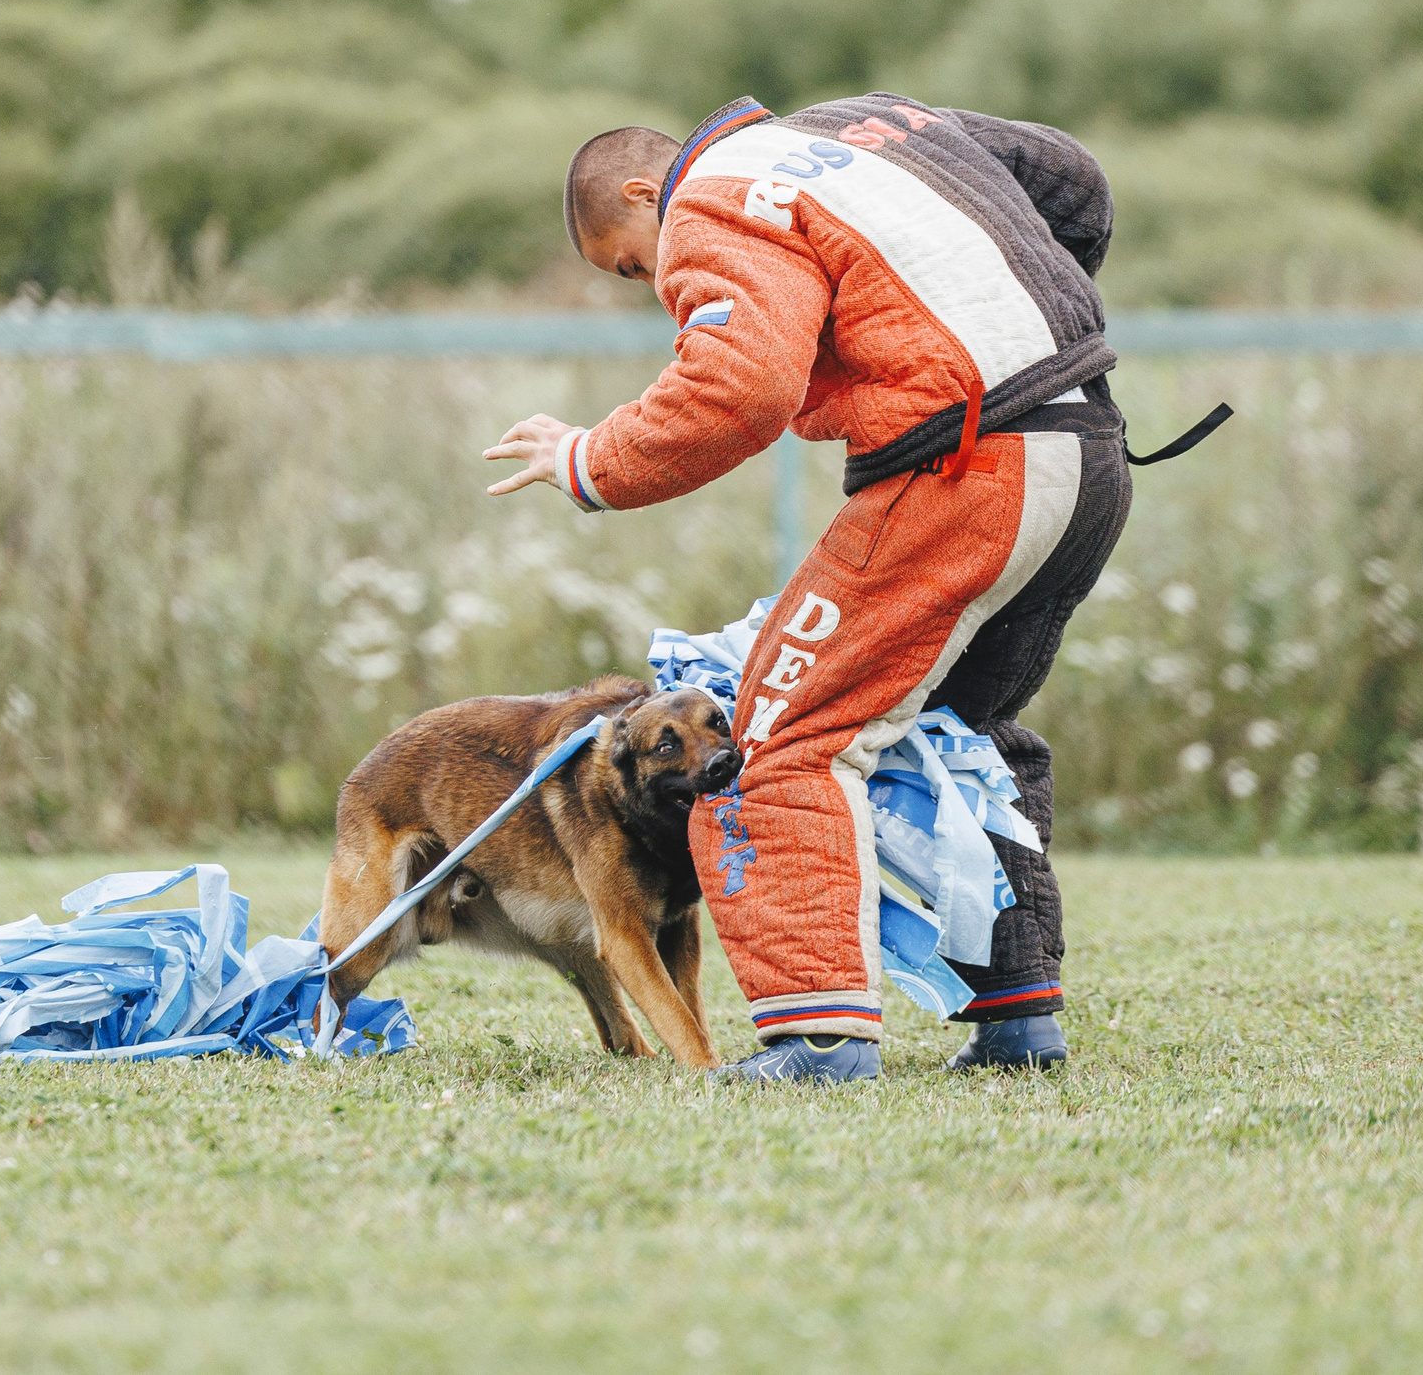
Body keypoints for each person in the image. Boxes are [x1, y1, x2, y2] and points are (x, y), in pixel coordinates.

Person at [484, 93, 1130, 1082]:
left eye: (630, 261)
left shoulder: (711, 200)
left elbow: (738, 388)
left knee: (776, 742)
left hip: (966, 466)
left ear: (644, 190)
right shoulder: (858, 122)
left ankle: (817, 1041)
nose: (650, 281)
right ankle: (1016, 1021)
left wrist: (587, 461)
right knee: (954, 732)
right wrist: (1007, 301)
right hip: (1086, 442)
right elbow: (1067, 174)